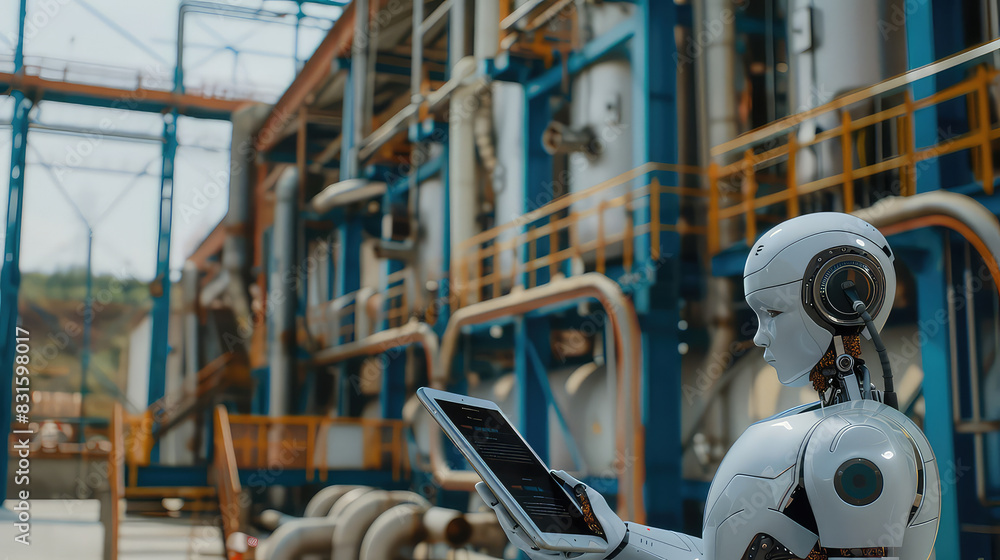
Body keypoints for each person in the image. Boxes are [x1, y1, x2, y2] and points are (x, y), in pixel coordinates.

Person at [477, 213, 941, 559]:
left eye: (772, 314)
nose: (758, 335)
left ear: (838, 302)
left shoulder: (854, 443)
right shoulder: (829, 430)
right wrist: (613, 540)